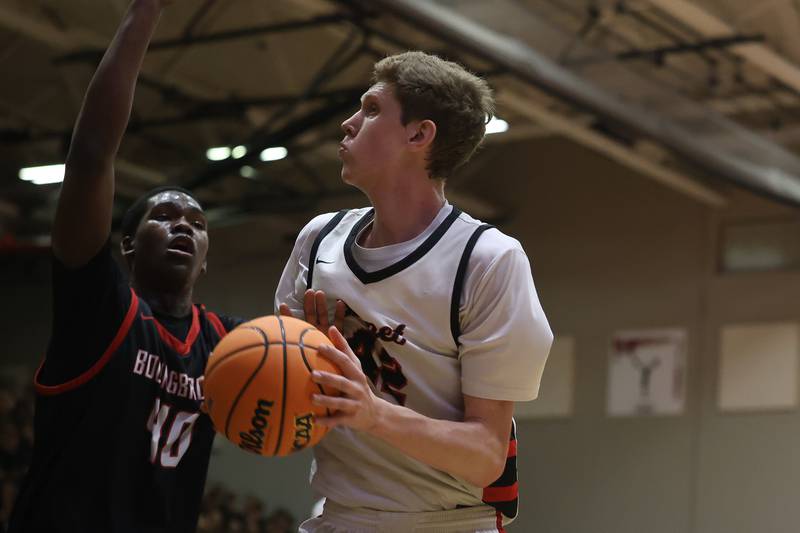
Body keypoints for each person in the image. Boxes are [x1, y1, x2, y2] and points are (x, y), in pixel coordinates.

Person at [276, 51, 553, 532]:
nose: (348, 123)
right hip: (339, 517)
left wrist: (372, 413)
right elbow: (289, 414)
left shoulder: (488, 259)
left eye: (371, 109)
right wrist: (292, 378)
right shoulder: (319, 240)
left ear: (419, 135)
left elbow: (486, 455)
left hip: (447, 523)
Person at [8, 1, 244, 531]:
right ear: (129, 246)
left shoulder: (227, 344)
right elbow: (91, 155)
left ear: (205, 262)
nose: (185, 225)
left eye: (199, 223)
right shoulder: (100, 306)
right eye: (164, 216)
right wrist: (146, 10)